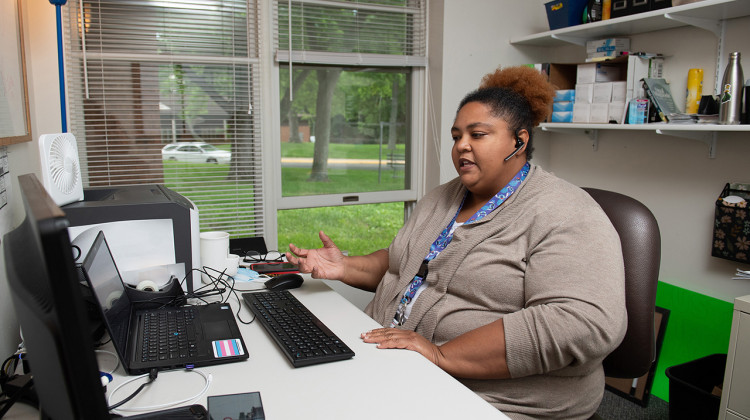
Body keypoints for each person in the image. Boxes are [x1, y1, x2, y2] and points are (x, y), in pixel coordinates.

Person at [286, 66, 627, 420]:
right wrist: (344, 265)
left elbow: (581, 323)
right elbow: (404, 267)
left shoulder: (565, 212)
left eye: (478, 134)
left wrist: (440, 354)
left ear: (519, 141)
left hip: (489, 398)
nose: (462, 145)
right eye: (456, 135)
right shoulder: (441, 199)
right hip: (394, 362)